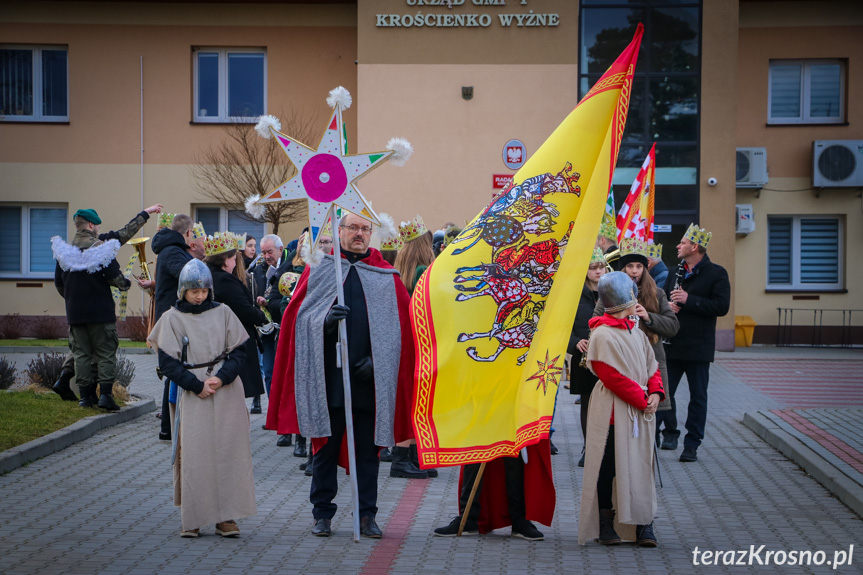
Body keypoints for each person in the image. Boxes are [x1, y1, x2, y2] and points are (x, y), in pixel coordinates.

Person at [266, 212, 416, 539]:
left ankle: (366, 516)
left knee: (368, 454)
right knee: (325, 450)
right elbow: (298, 321)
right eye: (353, 228)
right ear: (341, 231)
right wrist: (326, 322)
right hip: (329, 380)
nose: (359, 234)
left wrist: (379, 361)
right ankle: (322, 513)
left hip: (369, 382)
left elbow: (402, 332)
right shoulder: (321, 269)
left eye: (365, 228)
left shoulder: (385, 275)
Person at [147, 259, 256, 538]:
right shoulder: (172, 318)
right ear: (182, 290)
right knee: (194, 456)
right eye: (193, 291)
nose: (199, 296)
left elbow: (240, 352)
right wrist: (196, 385)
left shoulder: (224, 313)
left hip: (225, 389)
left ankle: (225, 517)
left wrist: (222, 378)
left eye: (204, 291)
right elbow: (168, 363)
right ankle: (193, 517)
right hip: (194, 393)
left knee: (228, 453)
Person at [579, 271, 664, 547]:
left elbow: (651, 365)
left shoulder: (635, 330)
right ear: (624, 299)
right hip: (614, 412)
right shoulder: (601, 334)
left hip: (641, 408)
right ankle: (606, 522)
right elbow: (611, 375)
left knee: (641, 466)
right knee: (609, 468)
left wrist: (656, 392)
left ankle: (643, 524)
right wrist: (642, 399)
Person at [52, 203, 164, 402]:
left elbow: (59, 284)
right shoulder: (100, 249)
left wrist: (74, 300)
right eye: (98, 226)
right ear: (90, 225)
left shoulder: (64, 252)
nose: (99, 229)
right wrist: (126, 284)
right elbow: (116, 278)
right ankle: (105, 396)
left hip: (75, 314)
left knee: (82, 355)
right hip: (100, 313)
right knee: (105, 353)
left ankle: (85, 398)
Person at [656, 224, 730, 463]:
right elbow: (664, 300)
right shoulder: (674, 271)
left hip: (698, 347)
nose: (678, 246)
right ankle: (660, 436)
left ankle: (692, 444)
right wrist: (670, 306)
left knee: (698, 397)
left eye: (682, 242)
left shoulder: (716, 273)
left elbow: (721, 307)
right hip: (673, 345)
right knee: (664, 394)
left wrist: (690, 300)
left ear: (694, 247)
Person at [593, 238, 679, 441]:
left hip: (651, 365)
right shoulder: (609, 291)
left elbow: (673, 326)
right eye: (630, 266)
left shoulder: (656, 293)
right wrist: (617, 316)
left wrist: (649, 317)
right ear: (622, 269)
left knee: (651, 423)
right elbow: (595, 321)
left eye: (639, 266)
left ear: (645, 268)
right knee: (624, 424)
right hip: (622, 363)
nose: (634, 271)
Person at [150, 216, 206, 440]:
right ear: (188, 232)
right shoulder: (173, 251)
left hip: (172, 317)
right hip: (172, 320)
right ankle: (167, 426)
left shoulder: (170, 248)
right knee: (174, 371)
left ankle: (168, 427)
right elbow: (188, 277)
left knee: (174, 372)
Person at [392, 216, 437, 479]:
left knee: (409, 399)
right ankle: (405, 458)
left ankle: (410, 457)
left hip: (405, 342)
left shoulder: (401, 270)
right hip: (420, 342)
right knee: (417, 400)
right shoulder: (423, 271)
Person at [432, 448, 554, 540]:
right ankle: (468, 519)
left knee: (514, 457)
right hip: (481, 417)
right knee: (474, 454)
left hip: (512, 417)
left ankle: (519, 520)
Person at [204, 232, 267, 406]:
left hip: (219, 336)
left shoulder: (211, 275)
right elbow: (244, 309)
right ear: (225, 260)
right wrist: (261, 317)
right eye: (233, 259)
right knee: (234, 386)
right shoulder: (224, 280)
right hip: (233, 338)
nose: (235, 263)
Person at [248, 233, 296, 449]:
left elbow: (282, 300)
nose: (266, 256)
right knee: (269, 373)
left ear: (280, 248)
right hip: (266, 330)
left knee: (286, 376)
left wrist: (268, 302)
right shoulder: (257, 268)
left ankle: (288, 427)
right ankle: (275, 417)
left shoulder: (289, 265)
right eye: (263, 252)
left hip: (285, 329)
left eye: (270, 252)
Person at [567, 248, 607, 467]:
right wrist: (574, 343)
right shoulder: (574, 294)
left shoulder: (610, 292)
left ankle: (603, 448)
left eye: (601, 267)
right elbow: (563, 328)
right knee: (587, 403)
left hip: (607, 357)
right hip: (583, 358)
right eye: (593, 268)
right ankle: (588, 447)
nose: (598, 272)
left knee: (605, 404)